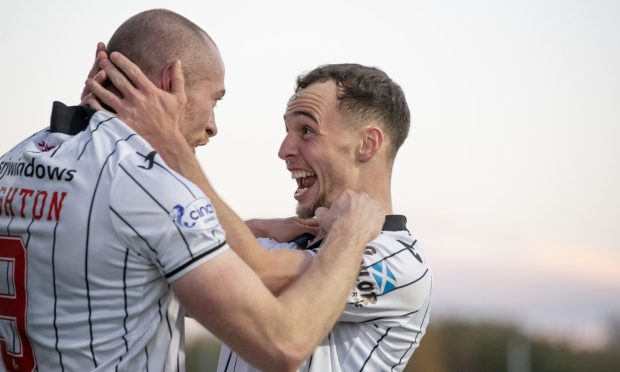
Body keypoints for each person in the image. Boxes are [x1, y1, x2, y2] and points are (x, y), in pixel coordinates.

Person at [0, 9, 385, 372]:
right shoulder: (149, 186)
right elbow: (282, 344)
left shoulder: (15, 160)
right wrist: (350, 235)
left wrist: (253, 229)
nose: (213, 126)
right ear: (172, 82)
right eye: (214, 99)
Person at [87, 53, 432, 370]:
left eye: (307, 130)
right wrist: (97, 129)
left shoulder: (399, 263)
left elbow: (261, 272)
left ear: (367, 144)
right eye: (287, 131)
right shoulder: (282, 242)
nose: (284, 150)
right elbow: (154, 275)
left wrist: (171, 146)